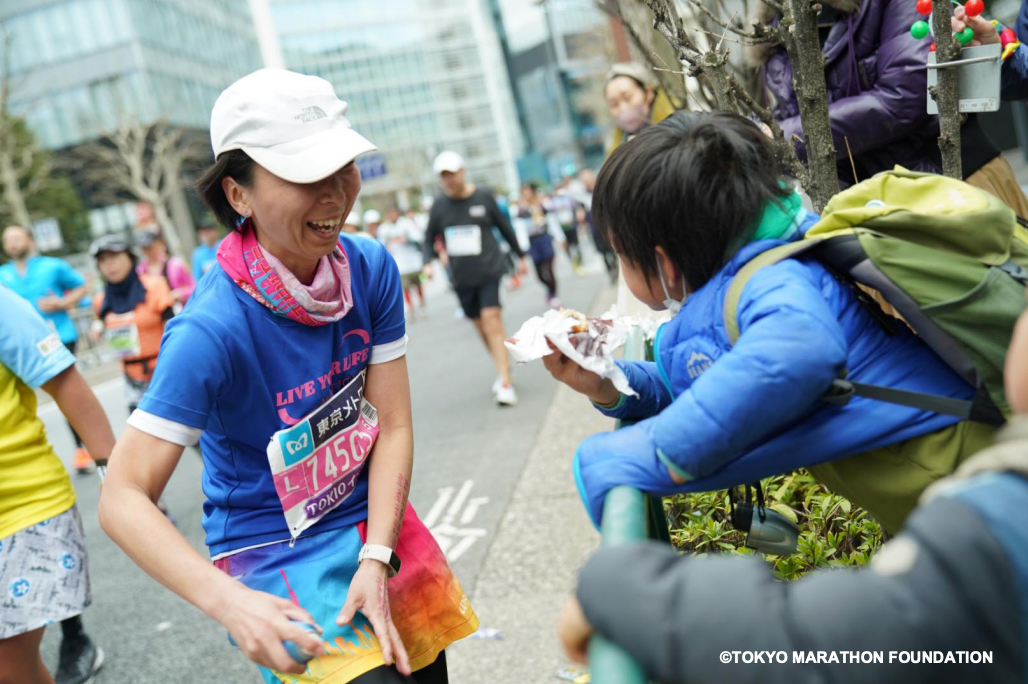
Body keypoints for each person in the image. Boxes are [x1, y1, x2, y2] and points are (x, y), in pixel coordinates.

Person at [98, 68, 477, 684]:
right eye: (305, 176)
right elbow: (121, 497)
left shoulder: (370, 269)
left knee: (423, 676)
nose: (334, 195)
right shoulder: (210, 330)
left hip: (370, 520)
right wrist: (230, 603)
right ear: (238, 194)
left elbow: (394, 424)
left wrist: (377, 555)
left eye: (343, 167)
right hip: (274, 546)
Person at [543, 111, 996, 534]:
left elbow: (794, 356)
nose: (621, 263)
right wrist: (609, 381)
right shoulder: (749, 274)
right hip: (946, 489)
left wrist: (643, 455)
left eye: (622, 254)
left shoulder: (771, 281)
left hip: (973, 481)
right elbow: (710, 373)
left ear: (665, 263)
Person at [556, 289, 1028, 683]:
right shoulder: (781, 284)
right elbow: (706, 383)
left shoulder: (1002, 515)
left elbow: (823, 647)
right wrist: (612, 385)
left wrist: (620, 587)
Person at [751, 0, 1028, 214]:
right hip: (869, 214)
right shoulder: (775, 26)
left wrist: (779, 137)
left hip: (954, 182)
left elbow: (904, 98)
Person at [0, 285, 115, 684]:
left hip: (24, 509)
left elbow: (65, 380)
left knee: (8, 663)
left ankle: (76, 639)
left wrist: (115, 477)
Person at [422, 151, 528, 406]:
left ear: (462, 171)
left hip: (490, 270)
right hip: (461, 276)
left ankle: (504, 382)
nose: (449, 180)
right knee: (480, 326)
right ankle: (502, 364)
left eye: (452, 173)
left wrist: (520, 256)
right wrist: (427, 262)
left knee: (492, 320)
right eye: (443, 176)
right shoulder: (439, 207)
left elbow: (504, 227)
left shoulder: (482, 197)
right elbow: (428, 238)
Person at [0, 225, 94, 475]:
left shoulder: (53, 266)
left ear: (29, 241)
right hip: (20, 348)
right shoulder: (2, 274)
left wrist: (64, 302)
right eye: (8, 240)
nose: (12, 244)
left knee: (64, 389)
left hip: (58, 335)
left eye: (17, 238)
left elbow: (83, 285)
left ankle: (83, 448)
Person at [604, 62, 677, 157]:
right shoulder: (615, 151)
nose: (623, 108)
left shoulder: (677, 127)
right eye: (614, 104)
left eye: (628, 98)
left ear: (647, 93)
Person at [514, 182, 561, 308]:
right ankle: (549, 289)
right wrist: (522, 248)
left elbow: (552, 221)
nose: (526, 194)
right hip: (533, 243)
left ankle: (554, 294)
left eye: (528, 191)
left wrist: (559, 238)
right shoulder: (521, 209)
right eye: (524, 192)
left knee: (549, 270)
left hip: (545, 239)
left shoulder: (542, 204)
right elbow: (520, 229)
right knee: (539, 275)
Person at [377, 209, 426, 319]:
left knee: (418, 284)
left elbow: (418, 237)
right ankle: (412, 309)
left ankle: (422, 305)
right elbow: (380, 244)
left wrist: (407, 239)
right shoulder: (384, 229)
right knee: (405, 287)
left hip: (413, 260)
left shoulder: (406, 223)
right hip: (399, 263)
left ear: (397, 213)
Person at [136, 226, 196, 308]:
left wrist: (180, 294)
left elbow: (195, 288)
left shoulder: (175, 265)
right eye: (145, 248)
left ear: (160, 243)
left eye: (151, 246)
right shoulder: (140, 272)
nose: (148, 251)